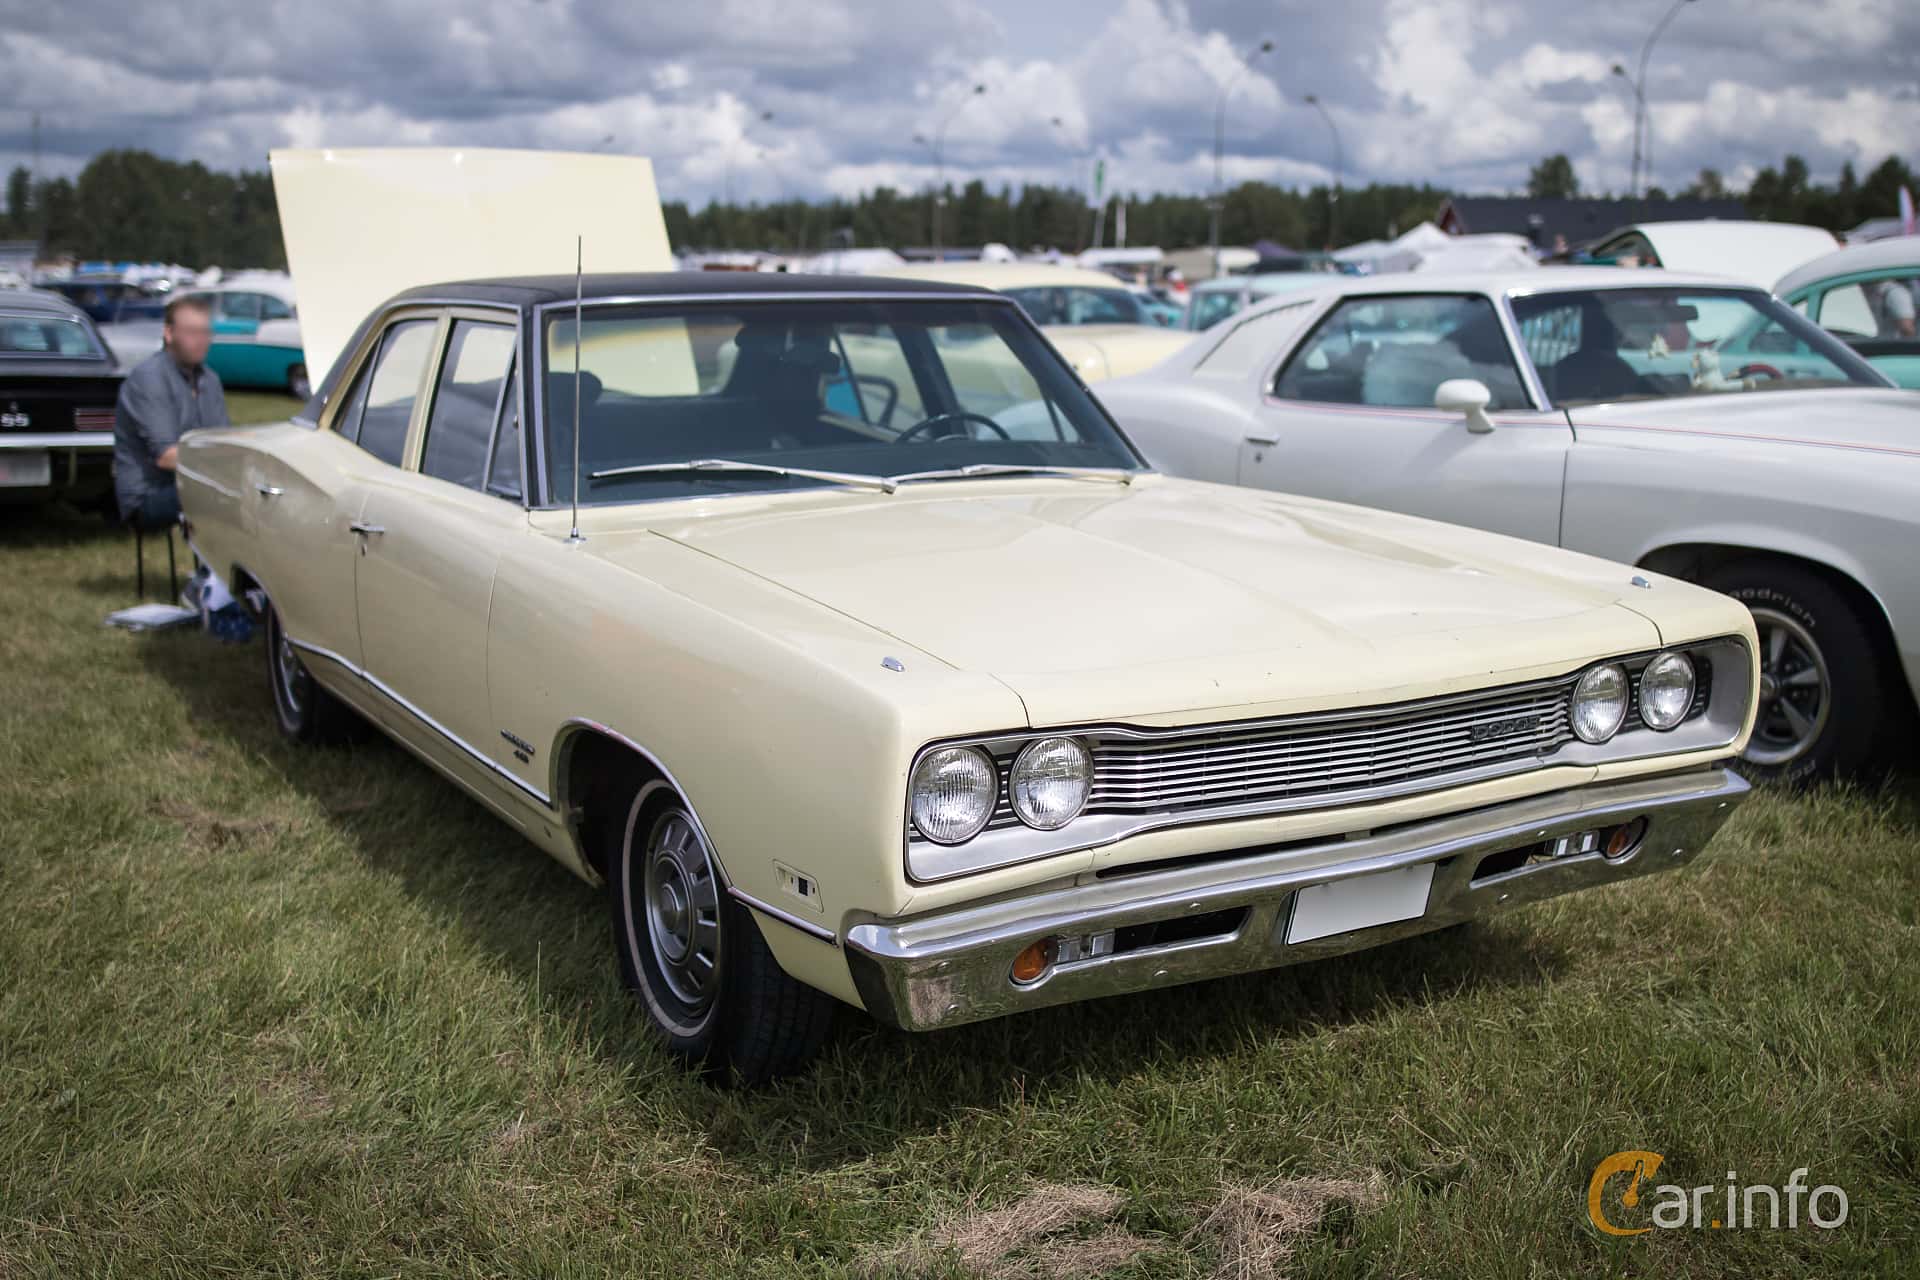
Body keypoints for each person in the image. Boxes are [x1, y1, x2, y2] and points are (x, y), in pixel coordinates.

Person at [113, 293, 228, 528]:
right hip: (148, 494)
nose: (201, 340)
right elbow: (166, 457)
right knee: (232, 496)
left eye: (205, 333)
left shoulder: (210, 379)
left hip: (197, 481)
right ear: (169, 333)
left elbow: (224, 440)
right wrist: (226, 467)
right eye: (192, 332)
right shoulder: (148, 379)